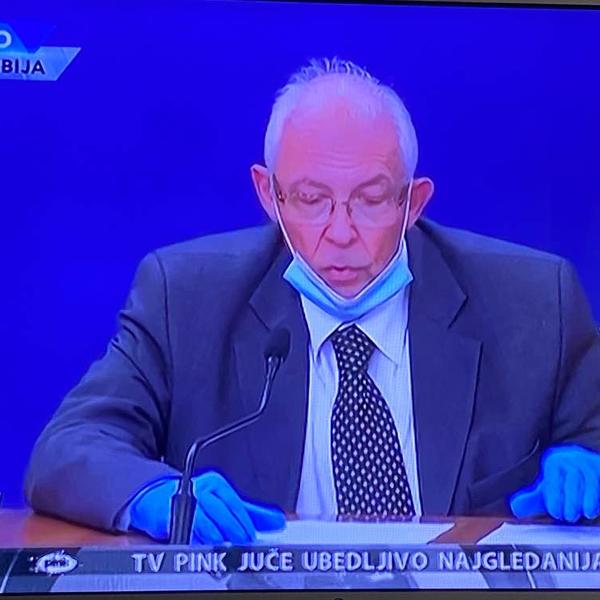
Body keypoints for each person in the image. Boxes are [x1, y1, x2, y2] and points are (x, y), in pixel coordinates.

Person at [26, 58, 600, 544]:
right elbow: (70, 446)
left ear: (414, 202)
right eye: (310, 198)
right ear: (268, 194)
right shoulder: (185, 298)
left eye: (370, 199)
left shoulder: (533, 301)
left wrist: (586, 462)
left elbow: (591, 434)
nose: (340, 231)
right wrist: (154, 493)